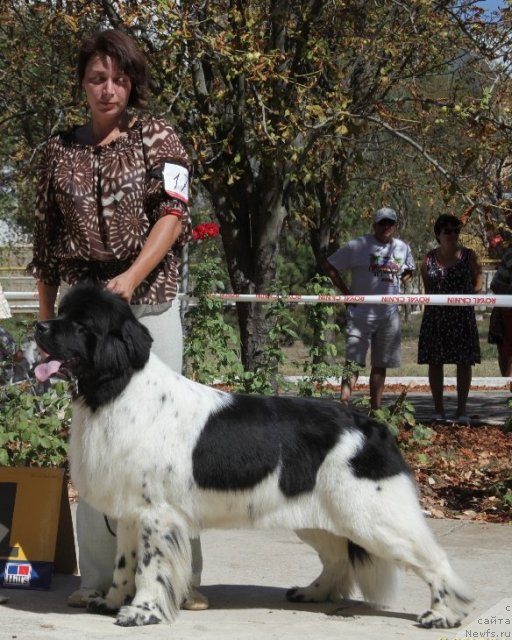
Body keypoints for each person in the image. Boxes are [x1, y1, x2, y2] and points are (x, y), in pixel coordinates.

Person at [28, 28, 207, 611]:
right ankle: (98, 578)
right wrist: (49, 324)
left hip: (149, 305)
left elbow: (175, 215)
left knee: (163, 453)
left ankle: (180, 580)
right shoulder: (58, 150)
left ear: (133, 84)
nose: (109, 89)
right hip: (81, 324)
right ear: (82, 83)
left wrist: (130, 278)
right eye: (98, 78)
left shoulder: (159, 136)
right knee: (95, 450)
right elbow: (47, 246)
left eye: (120, 79)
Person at [323, 207, 415, 410]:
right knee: (353, 361)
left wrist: (403, 279)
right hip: (361, 313)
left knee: (380, 364)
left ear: (395, 226)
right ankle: (344, 404)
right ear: (374, 225)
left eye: (390, 223)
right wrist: (347, 294)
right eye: (382, 223)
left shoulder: (402, 247)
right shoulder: (359, 245)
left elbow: (409, 269)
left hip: (389, 314)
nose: (386, 227)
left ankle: (375, 409)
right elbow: (329, 265)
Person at [417, 214, 483, 424]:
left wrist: (465, 300)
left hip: (462, 316)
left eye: (456, 230)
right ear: (438, 234)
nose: (453, 234)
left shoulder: (469, 256)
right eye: (447, 230)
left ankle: (461, 410)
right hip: (436, 317)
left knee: (464, 362)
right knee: (435, 362)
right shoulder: (428, 259)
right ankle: (439, 410)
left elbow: (478, 284)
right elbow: (428, 289)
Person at [487, 211, 512, 377]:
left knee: (507, 345)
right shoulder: (507, 246)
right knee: (504, 344)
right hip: (503, 302)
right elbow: (493, 252)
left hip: (508, 302)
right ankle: (507, 385)